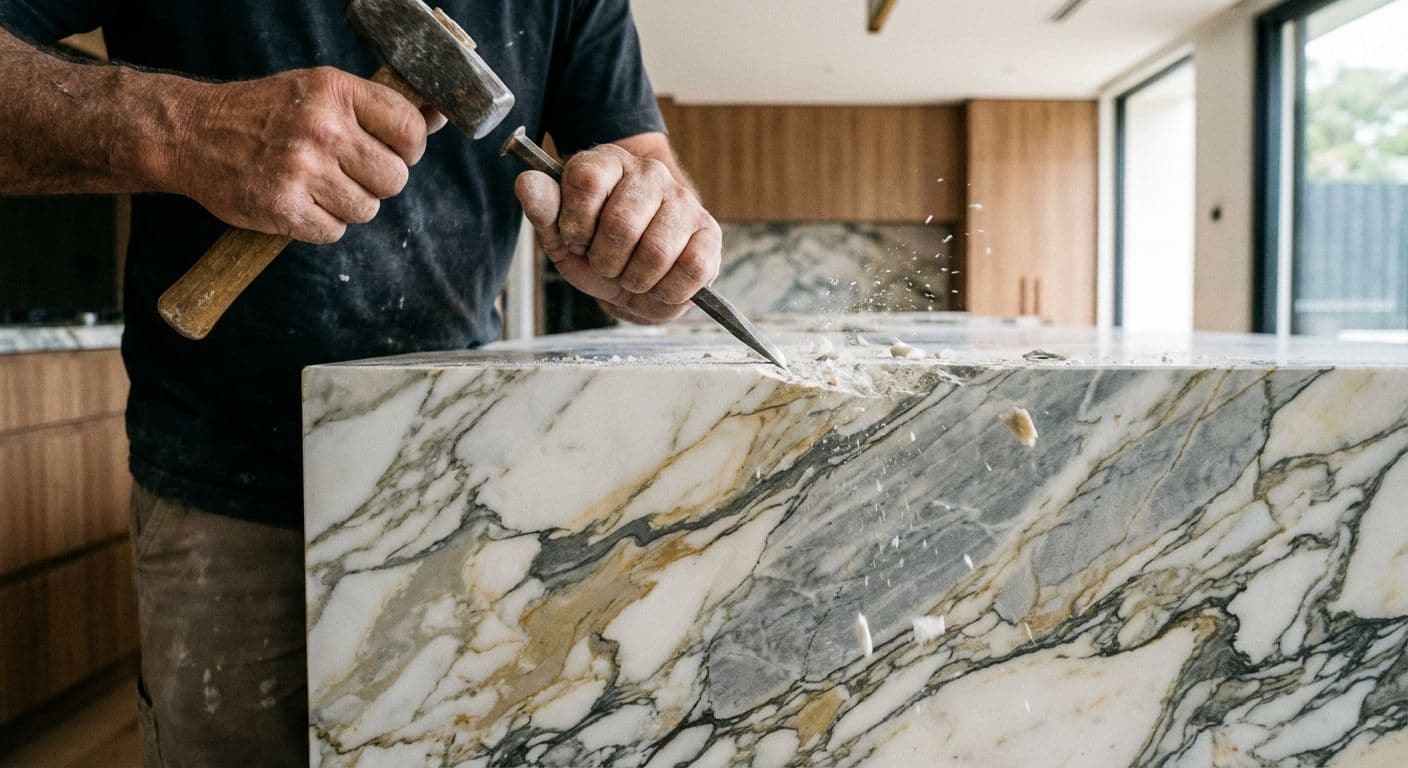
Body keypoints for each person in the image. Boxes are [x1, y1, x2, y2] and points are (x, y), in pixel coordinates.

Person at [0, 1, 720, 764]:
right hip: (231, 488)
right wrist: (177, 129)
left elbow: (642, 161)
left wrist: (650, 231)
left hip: (465, 481)